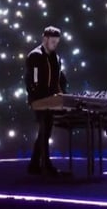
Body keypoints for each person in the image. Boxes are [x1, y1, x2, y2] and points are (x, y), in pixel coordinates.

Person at [24, 26, 68, 176]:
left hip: (52, 99)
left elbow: (59, 78)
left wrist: (63, 94)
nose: (55, 44)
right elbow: (32, 81)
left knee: (45, 131)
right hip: (40, 100)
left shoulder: (55, 57)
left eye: (57, 42)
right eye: (53, 41)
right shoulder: (35, 56)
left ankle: (35, 165)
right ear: (45, 39)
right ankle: (45, 165)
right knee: (45, 130)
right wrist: (38, 97)